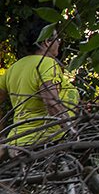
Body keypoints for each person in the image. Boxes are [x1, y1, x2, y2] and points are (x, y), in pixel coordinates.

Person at [0, 18, 74, 153]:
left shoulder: (14, 68)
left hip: (17, 143)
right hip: (45, 143)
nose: (59, 43)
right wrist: (71, 129)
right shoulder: (47, 63)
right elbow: (51, 102)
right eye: (57, 39)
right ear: (47, 42)